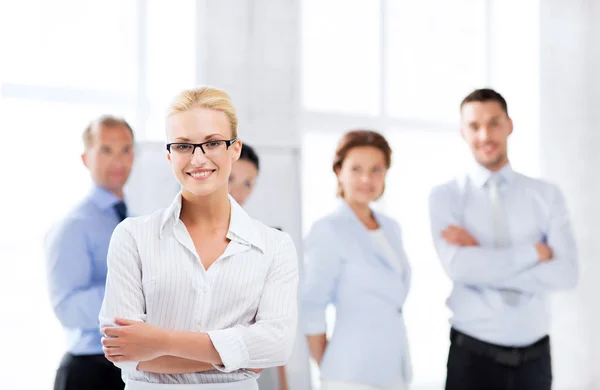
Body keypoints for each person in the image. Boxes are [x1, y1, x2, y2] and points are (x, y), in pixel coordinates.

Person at [99, 86, 299, 390]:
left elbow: (277, 347)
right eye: (183, 146)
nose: (198, 158)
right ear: (169, 155)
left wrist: (161, 341)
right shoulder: (133, 237)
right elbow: (123, 351)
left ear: (234, 149)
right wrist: (239, 353)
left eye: (212, 143)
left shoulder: (274, 246)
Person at [429, 88, 579, 390]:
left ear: (509, 125)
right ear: (463, 132)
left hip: (535, 359)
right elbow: (461, 269)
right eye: (474, 126)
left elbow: (567, 275)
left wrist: (482, 259)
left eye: (494, 122)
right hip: (471, 356)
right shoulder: (446, 196)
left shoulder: (546, 195)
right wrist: (535, 253)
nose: (485, 134)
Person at [301, 130, 412, 390]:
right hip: (351, 372)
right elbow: (311, 306)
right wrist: (328, 366)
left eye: (376, 169)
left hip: (395, 369)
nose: (366, 178)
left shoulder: (391, 228)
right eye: (356, 169)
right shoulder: (329, 229)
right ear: (339, 171)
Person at [45, 115, 135, 390]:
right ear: (86, 158)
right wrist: (130, 294)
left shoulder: (134, 221)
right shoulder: (73, 226)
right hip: (88, 371)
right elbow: (67, 309)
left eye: (126, 149)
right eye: (106, 150)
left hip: (129, 369)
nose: (118, 161)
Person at [228, 144, 289, 390]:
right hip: (208, 365)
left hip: (255, 363)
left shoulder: (267, 242)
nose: (238, 191)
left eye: (248, 183)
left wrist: (282, 380)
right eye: (231, 178)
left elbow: (276, 319)